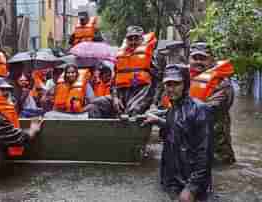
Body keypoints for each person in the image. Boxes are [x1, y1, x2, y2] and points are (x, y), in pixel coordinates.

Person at [145, 64, 213, 202]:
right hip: (172, 179)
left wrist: (192, 188)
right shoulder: (173, 109)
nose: (171, 89)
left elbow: (205, 153)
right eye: (168, 84)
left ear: (186, 84)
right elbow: (176, 131)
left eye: (176, 84)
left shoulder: (200, 110)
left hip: (190, 182)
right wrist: (158, 121)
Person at [89, 26, 157, 118]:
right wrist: (115, 98)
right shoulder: (121, 58)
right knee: (95, 105)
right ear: (126, 40)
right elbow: (113, 84)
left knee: (132, 111)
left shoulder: (149, 57)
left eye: (136, 38)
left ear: (142, 39)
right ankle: (97, 132)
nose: (133, 42)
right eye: (130, 39)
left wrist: (154, 103)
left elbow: (158, 82)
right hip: (121, 97)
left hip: (140, 96)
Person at [189, 42, 236, 164]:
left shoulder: (223, 83)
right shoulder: (183, 79)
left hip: (216, 147)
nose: (198, 62)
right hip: (193, 145)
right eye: (195, 58)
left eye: (203, 58)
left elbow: (212, 107)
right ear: (189, 59)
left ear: (212, 60)